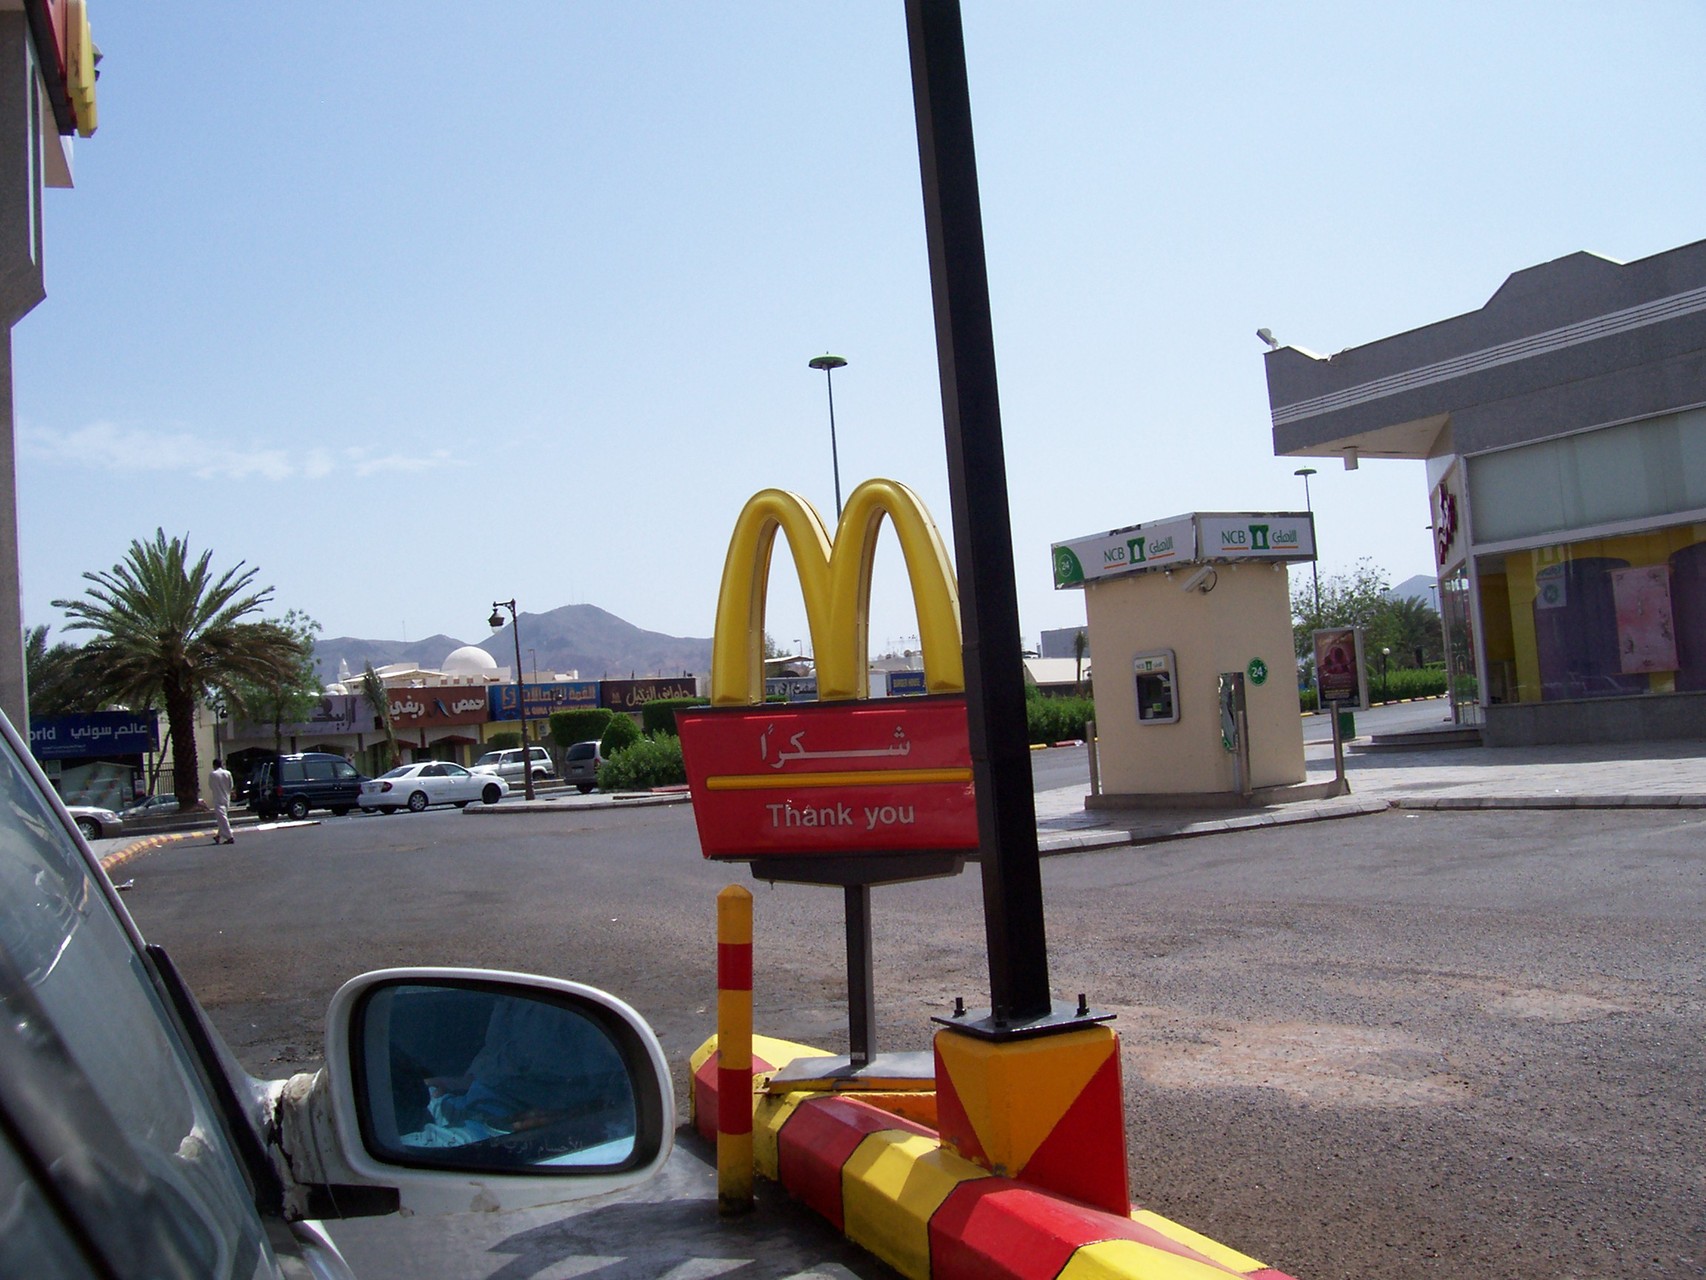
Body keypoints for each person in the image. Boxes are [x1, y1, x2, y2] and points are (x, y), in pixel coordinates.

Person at [208, 758, 235, 845]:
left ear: (214, 765)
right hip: (226, 798)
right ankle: (218, 836)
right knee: (222, 817)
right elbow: (231, 786)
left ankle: (229, 836)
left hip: (218, 798)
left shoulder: (213, 774)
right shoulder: (228, 773)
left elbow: (211, 786)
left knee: (222, 818)